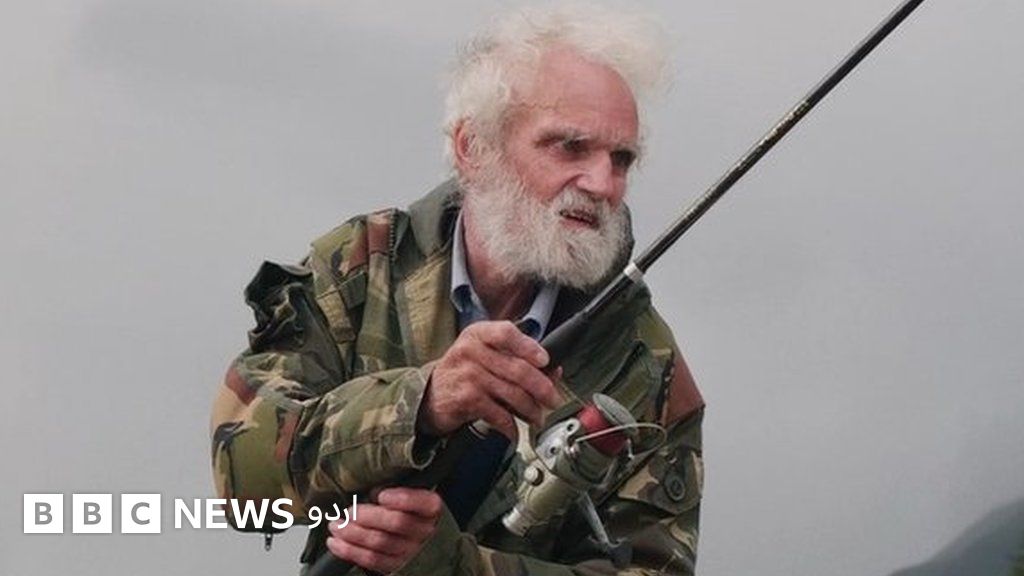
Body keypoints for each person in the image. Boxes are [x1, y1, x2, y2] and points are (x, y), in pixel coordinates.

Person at [210, 4, 705, 575]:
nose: (603, 184)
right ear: (473, 148)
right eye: (570, 147)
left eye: (621, 159)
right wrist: (420, 404)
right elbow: (241, 479)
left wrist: (454, 566)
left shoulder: (647, 365)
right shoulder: (360, 268)